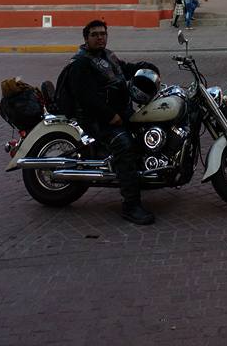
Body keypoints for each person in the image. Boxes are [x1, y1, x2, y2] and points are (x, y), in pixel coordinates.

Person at [64, 20, 158, 225]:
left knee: (146, 133)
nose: (100, 37)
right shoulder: (81, 63)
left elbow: (124, 69)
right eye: (95, 34)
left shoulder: (107, 56)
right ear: (86, 38)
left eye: (103, 34)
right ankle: (131, 205)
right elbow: (85, 97)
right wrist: (109, 115)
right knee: (124, 146)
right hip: (97, 120)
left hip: (119, 113)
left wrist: (145, 67)